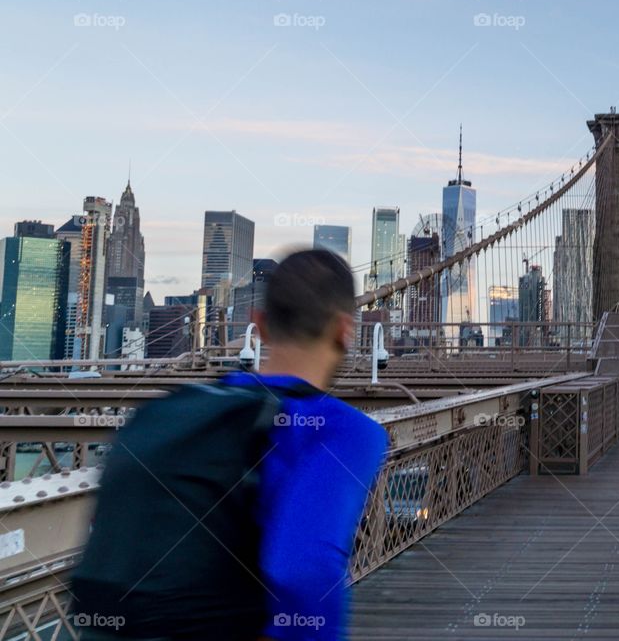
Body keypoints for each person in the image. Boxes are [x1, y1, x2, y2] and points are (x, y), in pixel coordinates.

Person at [72, 249, 388, 640]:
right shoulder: (342, 429)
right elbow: (302, 570)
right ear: (345, 329)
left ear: (260, 325)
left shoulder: (171, 413)